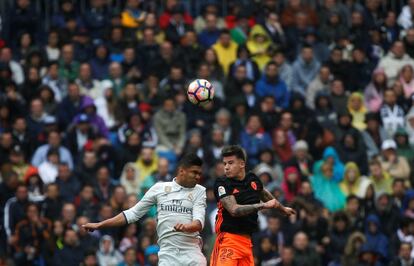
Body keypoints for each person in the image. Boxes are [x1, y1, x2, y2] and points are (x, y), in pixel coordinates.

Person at [82, 154, 207, 266]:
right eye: (194, 172)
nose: (198, 177)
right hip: (168, 256)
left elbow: (198, 223)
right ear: (182, 171)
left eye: (199, 174)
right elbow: (132, 214)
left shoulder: (199, 191)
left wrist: (186, 227)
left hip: (191, 253)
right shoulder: (159, 188)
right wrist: (100, 224)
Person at [210, 145, 295, 266]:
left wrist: (282, 209)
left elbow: (264, 193)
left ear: (242, 164)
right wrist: (263, 206)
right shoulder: (222, 183)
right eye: (225, 164)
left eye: (230, 163)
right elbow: (234, 210)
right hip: (228, 240)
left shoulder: (252, 179)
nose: (226, 167)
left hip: (247, 242)